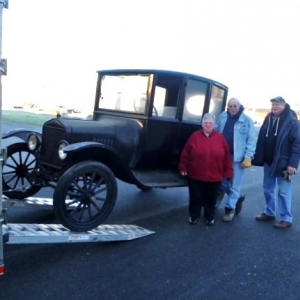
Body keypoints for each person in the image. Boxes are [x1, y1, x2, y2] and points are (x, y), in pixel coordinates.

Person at [253, 96, 300, 229]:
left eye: (277, 104)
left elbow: (297, 144)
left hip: (284, 164)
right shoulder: (269, 119)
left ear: (284, 106)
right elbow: (262, 138)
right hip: (269, 161)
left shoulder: (292, 122)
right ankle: (269, 212)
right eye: (273, 104)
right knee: (268, 188)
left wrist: (293, 164)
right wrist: (258, 156)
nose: (274, 106)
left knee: (284, 192)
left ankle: (286, 218)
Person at [179, 113, 233, 226]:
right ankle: (194, 216)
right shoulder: (195, 136)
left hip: (215, 175)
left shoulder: (220, 137)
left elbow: (227, 155)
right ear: (202, 124)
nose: (208, 125)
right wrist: (183, 167)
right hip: (196, 174)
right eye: (206, 123)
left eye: (210, 123)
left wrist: (228, 171)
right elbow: (186, 153)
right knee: (195, 197)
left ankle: (209, 217)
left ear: (214, 125)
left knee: (211, 198)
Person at [216, 98, 256, 222]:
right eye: (230, 106)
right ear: (227, 107)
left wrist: (248, 156)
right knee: (220, 182)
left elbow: (251, 140)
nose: (233, 108)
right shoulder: (223, 116)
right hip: (222, 156)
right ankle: (238, 197)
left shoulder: (246, 120)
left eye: (235, 106)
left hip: (237, 158)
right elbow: (217, 132)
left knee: (234, 184)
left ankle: (229, 209)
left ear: (239, 106)